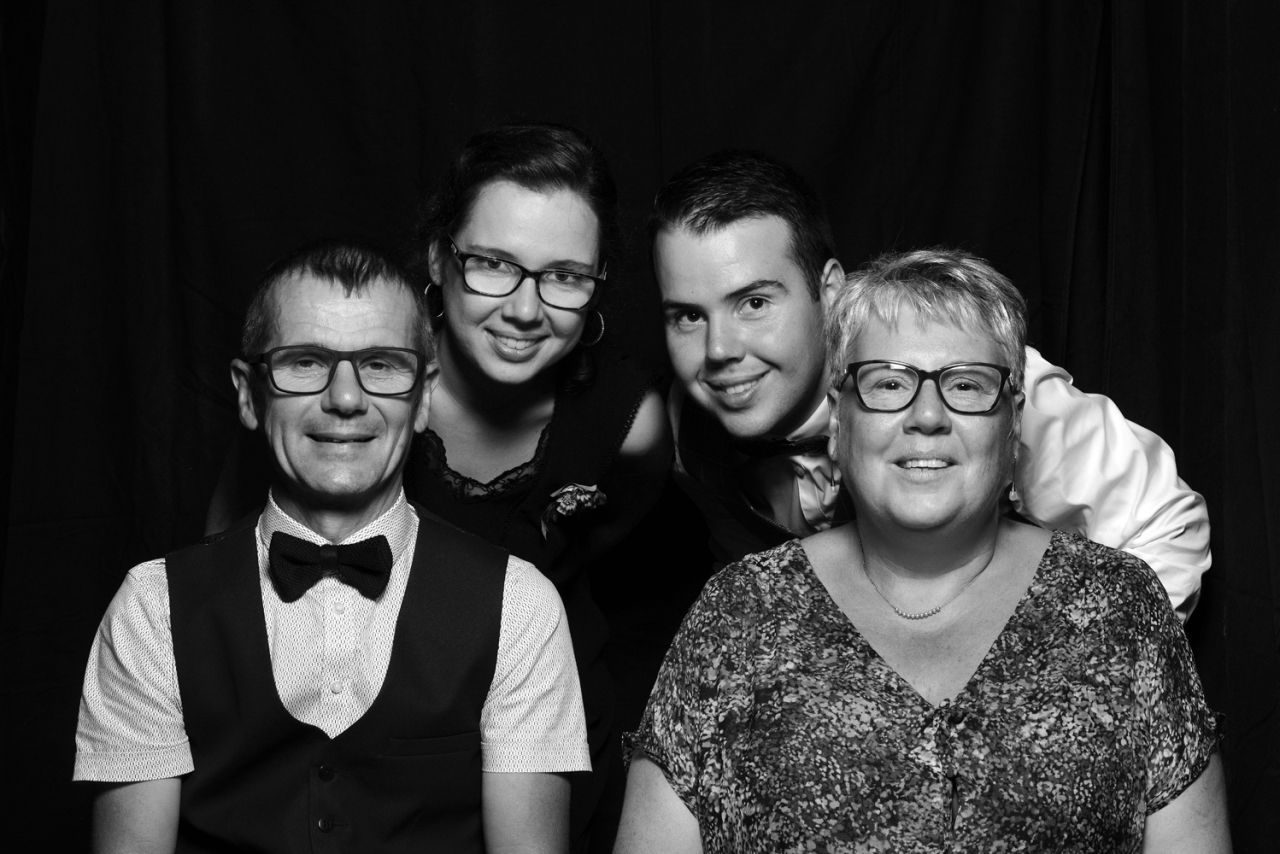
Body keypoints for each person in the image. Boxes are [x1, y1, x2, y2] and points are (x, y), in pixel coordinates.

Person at [617, 249, 1228, 853]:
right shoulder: (738, 614)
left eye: (966, 384)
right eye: (888, 383)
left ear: (1013, 420)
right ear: (839, 419)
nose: (927, 416)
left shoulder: (1121, 608)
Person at [75, 241, 589, 853]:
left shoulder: (521, 605)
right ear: (248, 393)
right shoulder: (152, 606)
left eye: (381, 364)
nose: (345, 399)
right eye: (305, 362)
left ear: (423, 396)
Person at [651, 150, 1209, 618]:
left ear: (830, 292)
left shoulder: (974, 385)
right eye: (688, 316)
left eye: (754, 303)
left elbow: (1164, 525)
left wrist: (1068, 684)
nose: (719, 351)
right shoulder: (687, 424)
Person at [400, 121, 670, 852]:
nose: (525, 309)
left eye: (565, 276)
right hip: (380, 768)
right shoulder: (358, 390)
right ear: (439, 259)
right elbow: (230, 570)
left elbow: (618, 532)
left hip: (559, 754)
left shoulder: (631, 422)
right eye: (493, 263)